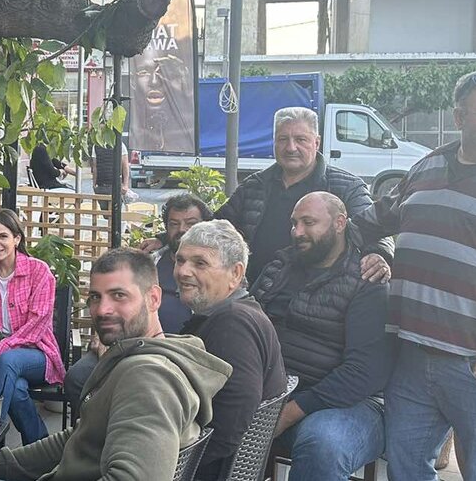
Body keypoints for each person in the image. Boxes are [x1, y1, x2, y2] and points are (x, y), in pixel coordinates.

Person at [353, 68, 476, 481]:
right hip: (413, 359)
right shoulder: (428, 166)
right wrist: (378, 252)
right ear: (459, 118)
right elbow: (369, 224)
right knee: (406, 468)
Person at [0, 248, 230, 481]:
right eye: (96, 297)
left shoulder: (148, 378)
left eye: (119, 295)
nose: (102, 309)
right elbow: (81, 438)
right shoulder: (138, 359)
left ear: (153, 298)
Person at [144, 107, 393, 284]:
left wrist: (379, 254)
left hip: (314, 300)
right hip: (258, 294)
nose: (291, 147)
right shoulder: (256, 185)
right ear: (274, 142)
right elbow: (216, 225)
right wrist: (165, 238)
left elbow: (375, 225)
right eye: (283, 139)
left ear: (316, 143)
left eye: (300, 139)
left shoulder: (346, 187)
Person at [250, 192, 390, 481]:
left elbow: (365, 372)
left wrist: (289, 413)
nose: (297, 232)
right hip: (272, 393)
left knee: (323, 446)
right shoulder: (279, 267)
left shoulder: (367, 279)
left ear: (339, 223)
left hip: (348, 404)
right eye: (294, 223)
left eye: (308, 222)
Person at [63, 192, 207, 414]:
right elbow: (111, 296)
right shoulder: (152, 260)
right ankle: (93, 427)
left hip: (176, 350)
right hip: (127, 341)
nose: (182, 230)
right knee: (78, 377)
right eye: (174, 224)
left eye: (190, 224)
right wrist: (101, 336)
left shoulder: (209, 271)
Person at [173, 220, 287, 480]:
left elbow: (232, 419)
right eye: (180, 260)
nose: (183, 271)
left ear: (235, 274)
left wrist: (173, 467)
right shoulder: (234, 314)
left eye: (200, 263)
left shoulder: (234, 324)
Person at [0, 209, 65, 445]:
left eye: (3, 236)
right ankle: (40, 448)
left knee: (9, 360)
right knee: (17, 389)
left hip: (37, 354)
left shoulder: (38, 271)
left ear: (17, 239)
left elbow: (37, 325)